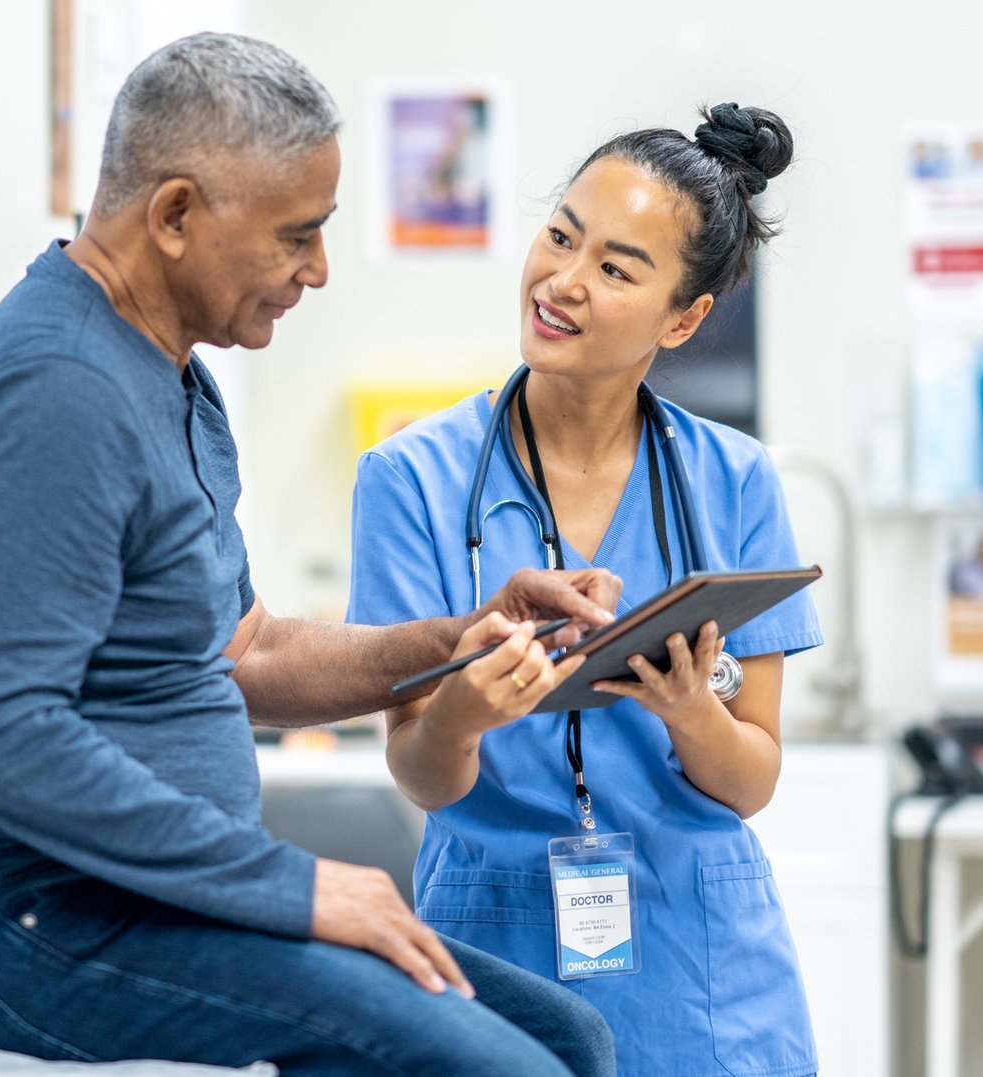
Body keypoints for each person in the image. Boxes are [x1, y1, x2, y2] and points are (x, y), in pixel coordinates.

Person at [0, 33, 621, 1076]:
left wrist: (461, 637)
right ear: (173, 215)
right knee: (503, 1070)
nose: (313, 270)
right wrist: (293, 886)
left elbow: (246, 652)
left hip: (141, 903)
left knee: (566, 1036)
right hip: (8, 927)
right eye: (295, 236)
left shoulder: (170, 373)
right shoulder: (57, 393)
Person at [348, 104, 823, 1077]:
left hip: (703, 970)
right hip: (492, 941)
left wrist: (692, 711)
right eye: (560, 234)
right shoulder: (410, 481)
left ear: (682, 318)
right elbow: (419, 774)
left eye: (614, 267)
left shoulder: (733, 481)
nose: (561, 281)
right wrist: (460, 712)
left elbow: (752, 777)